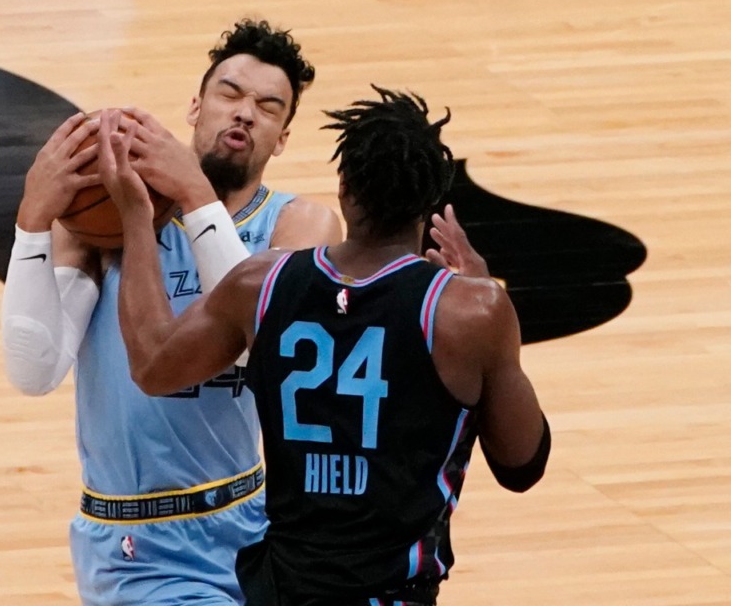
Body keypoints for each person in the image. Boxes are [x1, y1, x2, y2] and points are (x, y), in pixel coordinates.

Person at [98, 86, 551, 606]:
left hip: (282, 589)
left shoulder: (262, 283)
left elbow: (154, 365)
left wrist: (133, 217)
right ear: (429, 202)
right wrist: (485, 297)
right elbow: (523, 464)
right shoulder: (468, 312)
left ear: (344, 189)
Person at [0, 19, 342, 605]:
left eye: (267, 107)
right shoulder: (109, 211)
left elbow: (258, 338)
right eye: (229, 94)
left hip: (251, 523)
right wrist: (32, 223)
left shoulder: (298, 225)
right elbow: (34, 372)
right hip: (131, 542)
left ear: (282, 138)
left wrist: (195, 196)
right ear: (195, 105)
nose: (244, 113)